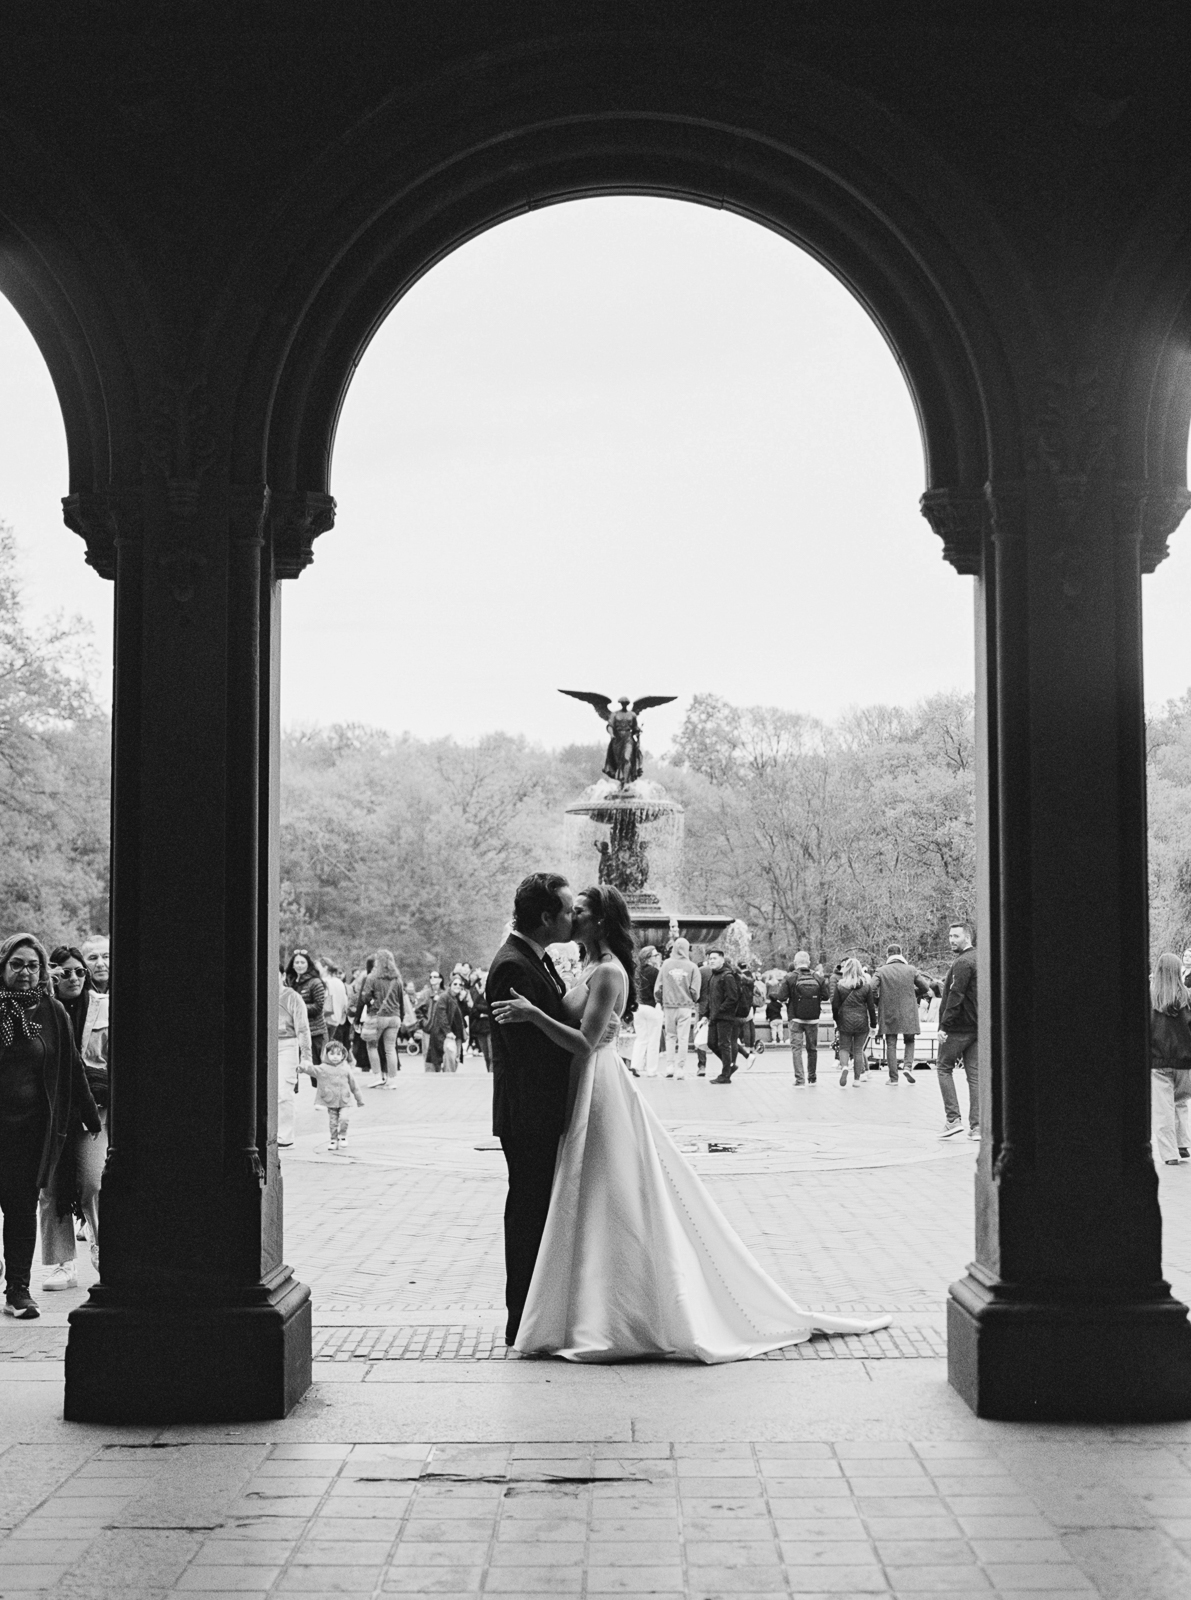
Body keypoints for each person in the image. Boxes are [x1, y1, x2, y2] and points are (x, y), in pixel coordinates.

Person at [490, 884, 891, 1361]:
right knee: (584, 1197)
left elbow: (584, 1040)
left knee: (609, 1195)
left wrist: (534, 1014)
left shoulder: (610, 972)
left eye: (579, 911)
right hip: (581, 1089)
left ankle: (617, 1313)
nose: (572, 917)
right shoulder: (586, 966)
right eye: (568, 910)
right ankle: (578, 1308)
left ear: (598, 921)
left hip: (600, 1088)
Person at [486, 871, 576, 1345]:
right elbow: (530, 1056)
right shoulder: (514, 966)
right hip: (529, 1116)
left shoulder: (534, 960)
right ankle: (520, 1319)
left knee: (536, 1212)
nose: (571, 918)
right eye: (566, 911)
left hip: (537, 1113)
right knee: (527, 1215)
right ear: (546, 917)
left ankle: (535, 1315)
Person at [0, 934, 101, 1319]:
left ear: (43, 971)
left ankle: (18, 1291)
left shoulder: (53, 1011)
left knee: (21, 1209)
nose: (24, 972)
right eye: (16, 964)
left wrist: (90, 1115)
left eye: (32, 966)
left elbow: (73, 1068)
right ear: (4, 966)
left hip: (30, 1132)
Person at [40, 947, 109, 1290]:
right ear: (51, 974)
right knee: (51, 1188)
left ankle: (101, 1245)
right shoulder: (41, 1010)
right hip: (52, 1111)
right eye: (65, 973)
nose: (75, 979)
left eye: (80, 972)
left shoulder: (105, 1006)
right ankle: (63, 1262)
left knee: (93, 1182)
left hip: (93, 1109)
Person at [937, 922, 979, 1138]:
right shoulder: (980, 959)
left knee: (943, 1067)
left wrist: (944, 1025)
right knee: (975, 1075)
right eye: (950, 936)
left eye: (956, 936)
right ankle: (978, 1126)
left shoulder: (962, 962)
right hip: (976, 1027)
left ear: (967, 937)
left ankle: (953, 1119)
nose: (951, 940)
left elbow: (956, 994)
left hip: (958, 1026)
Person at [1150, 953, 1191, 1166]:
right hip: (1185, 1063)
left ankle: (1169, 1154)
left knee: (1163, 1107)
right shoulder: (1187, 997)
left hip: (1159, 1062)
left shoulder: (1151, 998)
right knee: (1180, 1101)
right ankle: (1183, 1143)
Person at [873, 942, 933, 1085]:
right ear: (901, 954)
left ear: (888, 955)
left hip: (889, 1011)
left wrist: (879, 1001)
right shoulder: (911, 970)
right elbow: (925, 987)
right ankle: (907, 1066)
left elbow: (871, 988)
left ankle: (893, 1078)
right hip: (909, 1011)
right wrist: (912, 993)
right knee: (910, 1040)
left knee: (891, 1044)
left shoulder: (881, 971)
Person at [779, 952, 829, 1086]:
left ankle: (800, 1080)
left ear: (795, 963)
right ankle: (812, 1078)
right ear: (809, 962)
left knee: (796, 1049)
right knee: (812, 1049)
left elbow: (781, 996)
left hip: (795, 1018)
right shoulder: (817, 977)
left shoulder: (790, 977)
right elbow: (826, 996)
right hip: (813, 1019)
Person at [360, 948, 407, 1087]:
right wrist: (401, 1016)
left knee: (372, 1046)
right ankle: (392, 1080)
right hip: (394, 1017)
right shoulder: (397, 979)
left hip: (378, 1016)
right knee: (390, 1048)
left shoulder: (372, 978)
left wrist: (371, 1003)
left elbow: (365, 996)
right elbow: (401, 1000)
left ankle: (377, 1076)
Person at [655, 937, 700, 1079]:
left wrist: (659, 999)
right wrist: (692, 999)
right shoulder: (693, 967)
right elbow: (695, 990)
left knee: (670, 1036)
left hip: (669, 1005)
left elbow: (658, 987)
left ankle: (669, 1066)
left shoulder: (666, 964)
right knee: (683, 1038)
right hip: (685, 1006)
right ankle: (680, 1069)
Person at [277, 973, 312, 1146]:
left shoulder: (293, 997)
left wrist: (306, 1056)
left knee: (284, 1091)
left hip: (286, 1045)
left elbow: (303, 1028)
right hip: (264, 1045)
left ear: (282, 975)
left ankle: (285, 1136)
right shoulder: (260, 994)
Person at [315, 1037, 365, 1152]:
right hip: (331, 1100)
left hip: (344, 1100)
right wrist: (302, 1067)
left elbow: (354, 1086)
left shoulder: (346, 1069)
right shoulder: (324, 1068)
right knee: (333, 1121)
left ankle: (343, 1135)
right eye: (332, 1054)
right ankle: (333, 1139)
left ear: (343, 1055)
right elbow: (313, 1070)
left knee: (344, 1118)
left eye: (338, 1054)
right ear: (326, 1055)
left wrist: (359, 1099)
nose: (335, 1057)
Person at [831, 957, 876, 1085]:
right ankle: (857, 1079)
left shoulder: (840, 986)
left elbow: (835, 1006)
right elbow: (871, 1008)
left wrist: (836, 1020)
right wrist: (873, 1024)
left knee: (844, 1048)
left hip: (845, 1021)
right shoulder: (866, 987)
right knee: (858, 1050)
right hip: (861, 1022)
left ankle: (844, 1066)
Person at [285, 949, 327, 1068]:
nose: (299, 965)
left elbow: (318, 1007)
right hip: (293, 1031)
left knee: (317, 1069)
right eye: (297, 962)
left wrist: (298, 1008)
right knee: (292, 1068)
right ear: (292, 965)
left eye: (302, 962)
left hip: (314, 1031)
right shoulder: (288, 982)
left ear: (308, 964)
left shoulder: (315, 982)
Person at [706, 949, 740, 1084]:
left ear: (722, 959)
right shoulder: (713, 976)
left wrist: (720, 1011)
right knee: (712, 1043)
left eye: (714, 958)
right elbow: (711, 998)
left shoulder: (727, 976)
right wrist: (706, 1014)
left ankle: (725, 1075)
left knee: (723, 1044)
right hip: (715, 1016)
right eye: (710, 959)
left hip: (725, 1016)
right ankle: (730, 1066)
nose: (711, 961)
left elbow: (732, 998)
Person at [629, 944, 663, 1078]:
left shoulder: (636, 971)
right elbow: (660, 990)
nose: (658, 957)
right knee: (653, 1039)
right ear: (649, 958)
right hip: (652, 1007)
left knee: (641, 1038)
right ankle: (651, 1069)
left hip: (638, 1008)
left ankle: (635, 1065)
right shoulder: (655, 972)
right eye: (655, 955)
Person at [424, 976, 465, 1071]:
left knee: (455, 1059)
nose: (457, 986)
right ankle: (447, 1080)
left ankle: (449, 1077)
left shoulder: (458, 998)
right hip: (445, 1034)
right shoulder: (445, 997)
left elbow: (466, 1013)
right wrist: (447, 1032)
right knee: (445, 1059)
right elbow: (441, 1015)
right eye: (455, 984)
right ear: (450, 985)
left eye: (460, 984)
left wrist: (463, 1001)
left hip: (457, 1034)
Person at [320, 960, 349, 1045]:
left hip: (324, 1019)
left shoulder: (324, 981)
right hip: (336, 1020)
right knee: (327, 1046)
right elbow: (345, 1002)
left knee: (320, 1048)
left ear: (325, 968)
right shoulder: (340, 982)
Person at [764, 969, 786, 1046]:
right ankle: (781, 1040)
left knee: (773, 1030)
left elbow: (767, 1011)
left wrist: (767, 1017)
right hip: (779, 1018)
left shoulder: (768, 983)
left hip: (772, 1019)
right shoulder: (777, 983)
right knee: (780, 1030)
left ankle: (774, 1040)